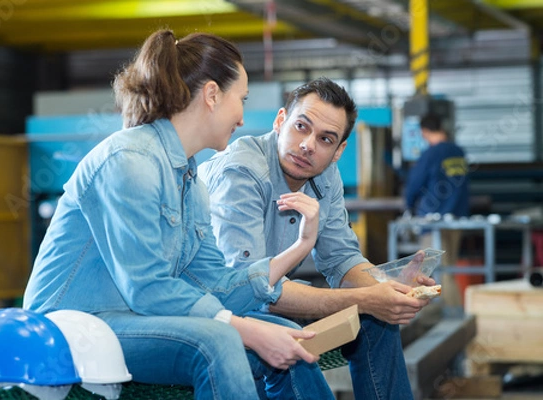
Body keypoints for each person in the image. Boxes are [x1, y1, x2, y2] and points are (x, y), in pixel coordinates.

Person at [23, 30, 335, 400]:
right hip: (69, 327)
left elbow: (214, 285)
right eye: (242, 99)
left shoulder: (190, 181)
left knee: (283, 333)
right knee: (220, 339)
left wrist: (302, 245)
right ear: (212, 95)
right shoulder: (129, 161)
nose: (242, 116)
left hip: (129, 320)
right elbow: (148, 287)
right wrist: (243, 330)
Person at [199, 77, 436, 399]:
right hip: (220, 304)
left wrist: (387, 288)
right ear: (280, 120)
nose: (308, 144)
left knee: (377, 323)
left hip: (264, 298)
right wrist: (366, 299)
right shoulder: (242, 173)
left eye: (325, 139)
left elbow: (341, 258)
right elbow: (248, 290)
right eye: (301, 126)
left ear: (339, 151)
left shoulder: (324, 174)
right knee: (292, 337)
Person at [405, 113, 470, 307]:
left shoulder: (430, 154)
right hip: (457, 219)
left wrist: (409, 207)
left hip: (433, 222)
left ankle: (451, 316)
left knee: (432, 273)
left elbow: (413, 185)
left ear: (424, 132)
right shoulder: (458, 152)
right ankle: (446, 314)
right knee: (448, 267)